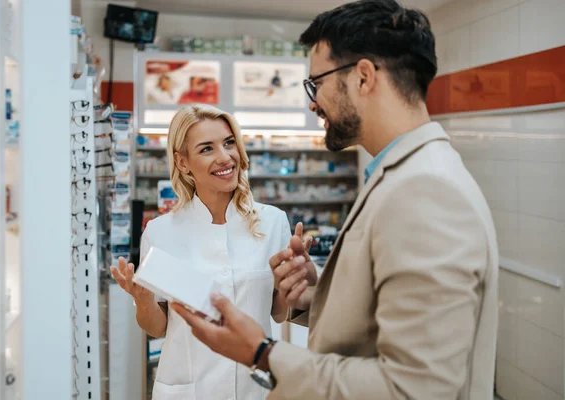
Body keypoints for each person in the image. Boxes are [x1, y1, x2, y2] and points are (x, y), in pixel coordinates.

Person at [172, 1, 499, 399]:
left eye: (317, 83)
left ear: (363, 77)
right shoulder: (405, 175)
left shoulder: (425, 190)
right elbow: (381, 332)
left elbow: (416, 388)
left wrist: (264, 353)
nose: (313, 103)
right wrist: (316, 294)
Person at [110, 104, 311, 400]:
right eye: (206, 149)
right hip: (188, 388)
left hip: (253, 388)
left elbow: (277, 313)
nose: (225, 156)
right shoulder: (161, 231)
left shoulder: (272, 221)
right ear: (182, 163)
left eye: (229, 143)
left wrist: (293, 279)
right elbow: (157, 326)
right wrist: (144, 301)